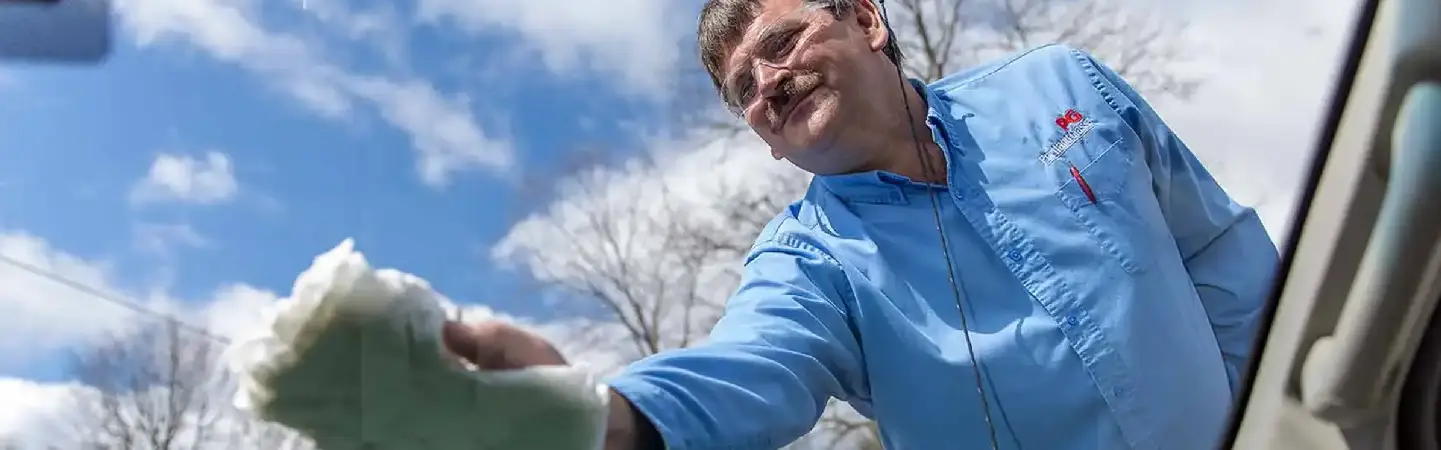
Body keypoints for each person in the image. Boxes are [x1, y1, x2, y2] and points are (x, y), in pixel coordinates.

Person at [441, 0, 1281, 448]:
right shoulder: (804, 264)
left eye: (780, 42)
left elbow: (1214, 250)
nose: (766, 83)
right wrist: (586, 417)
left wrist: (1294, 412)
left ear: (868, 20)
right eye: (742, 89)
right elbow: (748, 372)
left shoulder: (1060, 89)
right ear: (762, 139)